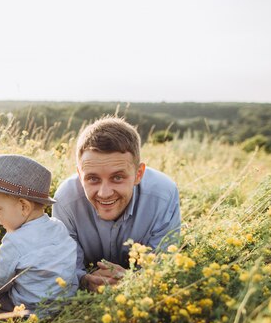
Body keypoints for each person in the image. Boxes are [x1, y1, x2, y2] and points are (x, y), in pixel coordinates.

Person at [52, 116, 181, 292]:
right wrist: (84, 281)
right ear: (79, 174)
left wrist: (132, 280)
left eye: (117, 177)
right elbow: (65, 268)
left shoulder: (163, 195)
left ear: (138, 174)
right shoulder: (65, 200)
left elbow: (163, 267)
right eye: (92, 178)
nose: (104, 193)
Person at [0, 154, 78, 314]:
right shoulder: (59, 227)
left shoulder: (15, 241)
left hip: (23, 310)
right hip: (60, 307)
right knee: (24, 271)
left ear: (24, 206)